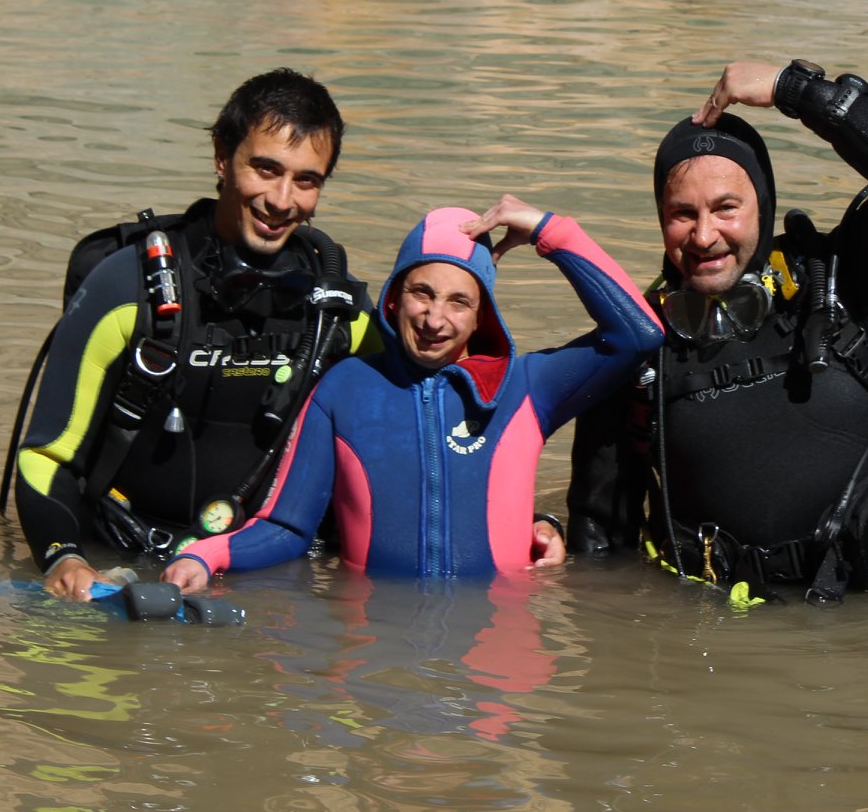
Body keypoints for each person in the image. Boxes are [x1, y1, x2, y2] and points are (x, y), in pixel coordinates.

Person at [566, 59, 868, 604]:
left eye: (727, 208)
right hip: (724, 650)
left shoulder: (849, 285)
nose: (704, 235)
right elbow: (599, 550)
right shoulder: (636, 346)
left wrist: (796, 90)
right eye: (682, 213)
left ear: (764, 206)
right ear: (659, 217)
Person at [162, 195, 663, 588]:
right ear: (395, 296)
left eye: (459, 302)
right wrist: (206, 555)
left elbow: (639, 333)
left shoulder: (527, 388)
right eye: (422, 293)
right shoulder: (345, 388)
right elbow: (287, 528)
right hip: (375, 647)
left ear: (482, 315)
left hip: (498, 649)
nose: (435, 318)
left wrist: (550, 230)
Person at [13, 69, 374, 602]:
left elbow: (435, 424)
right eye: (265, 168)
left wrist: (536, 527)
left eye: (306, 179)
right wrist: (64, 557)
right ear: (222, 157)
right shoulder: (128, 285)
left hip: (261, 580)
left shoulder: (337, 311)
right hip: (123, 569)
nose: (281, 199)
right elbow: (46, 458)